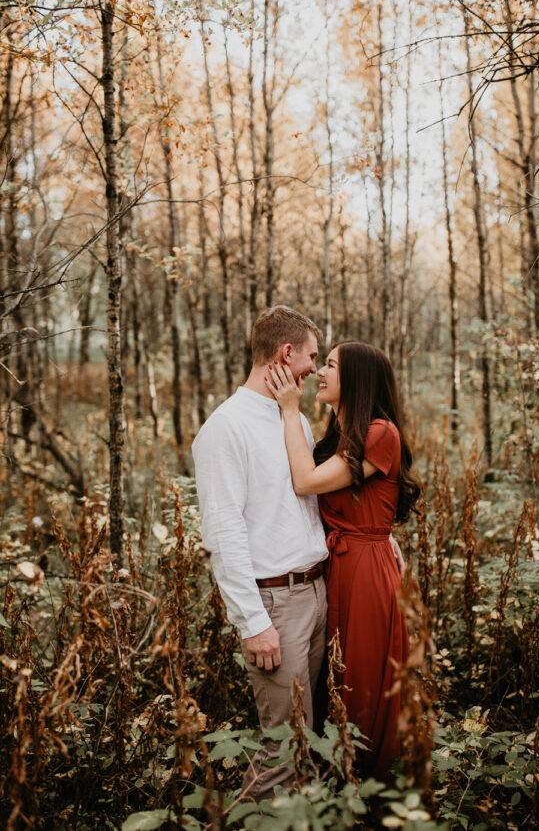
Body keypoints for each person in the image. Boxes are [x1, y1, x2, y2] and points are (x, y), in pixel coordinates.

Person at [191, 305, 329, 801]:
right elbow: (223, 532)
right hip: (275, 605)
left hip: (316, 593)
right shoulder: (226, 428)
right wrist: (253, 622)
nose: (316, 368)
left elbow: (308, 505)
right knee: (283, 750)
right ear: (285, 353)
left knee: (310, 740)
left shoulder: (296, 420)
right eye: (312, 356)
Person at [266, 341, 420, 780]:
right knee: (335, 674)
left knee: (363, 678)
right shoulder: (342, 435)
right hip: (340, 564)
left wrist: (288, 409)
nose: (320, 372)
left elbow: (305, 482)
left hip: (366, 572)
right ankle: (336, 774)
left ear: (356, 378)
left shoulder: (380, 432)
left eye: (330, 365)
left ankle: (370, 781)